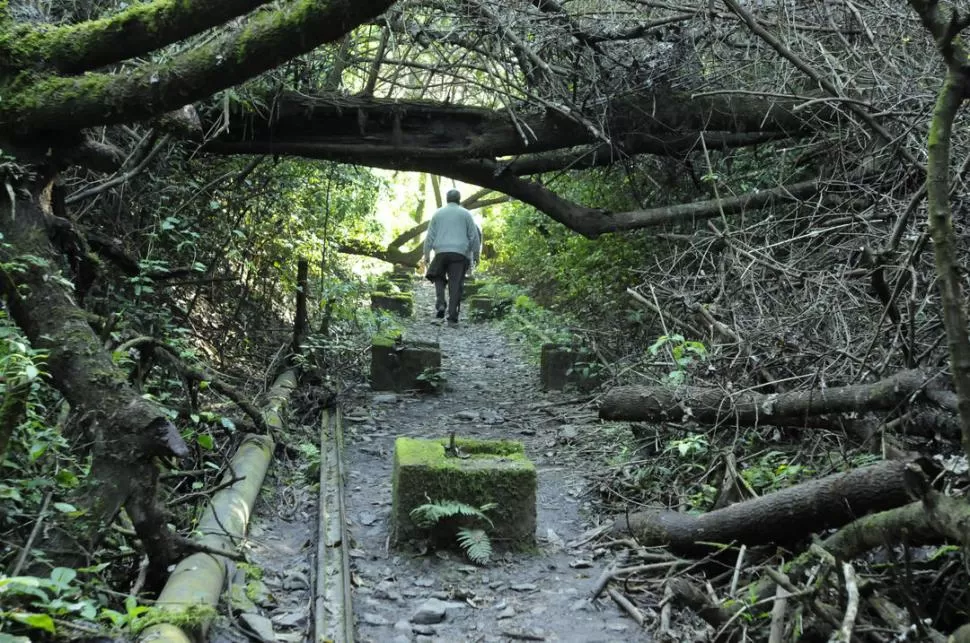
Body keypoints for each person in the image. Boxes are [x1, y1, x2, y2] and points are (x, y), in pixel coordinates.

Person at [423, 189, 479, 325]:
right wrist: (476, 255)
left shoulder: (438, 214)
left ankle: (441, 303)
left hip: (441, 251)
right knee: (455, 284)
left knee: (438, 276)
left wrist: (426, 255)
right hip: (460, 253)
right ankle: (452, 317)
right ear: (459, 199)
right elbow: (474, 237)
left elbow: (429, 237)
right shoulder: (466, 214)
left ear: (446, 199)